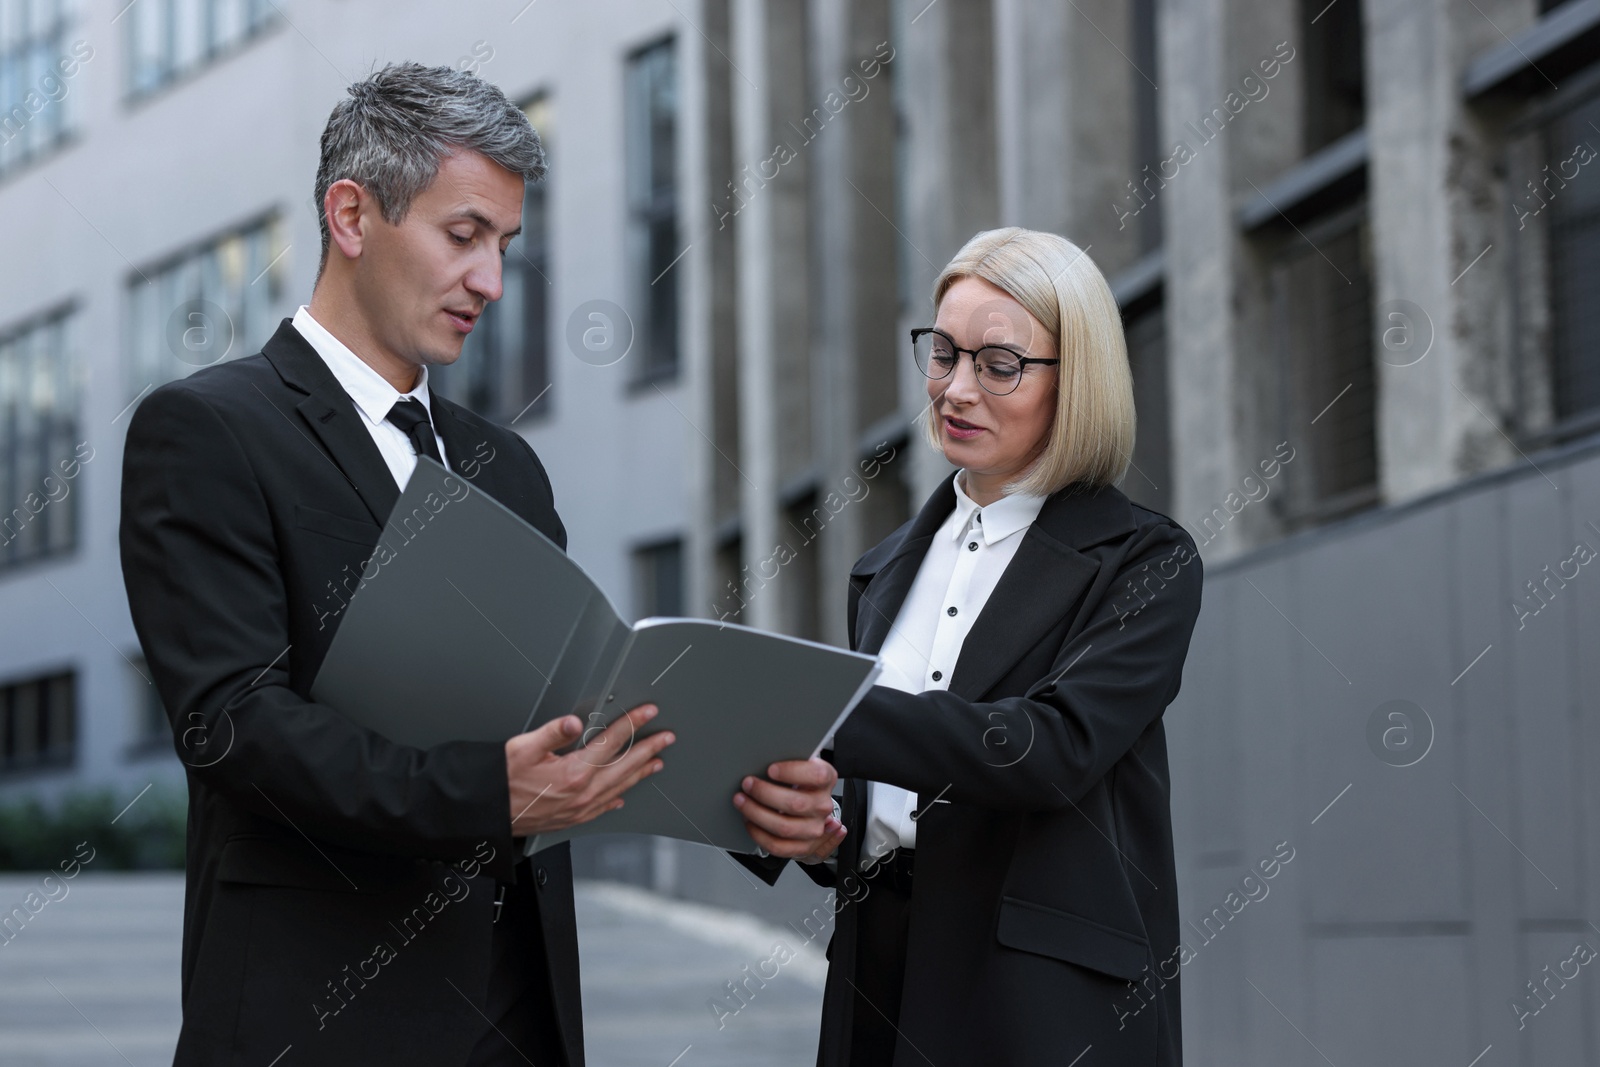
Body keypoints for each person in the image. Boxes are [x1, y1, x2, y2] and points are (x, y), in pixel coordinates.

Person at [120, 63, 837, 1067]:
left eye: (504, 246)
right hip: (318, 1015)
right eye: (464, 237)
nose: (491, 282)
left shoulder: (506, 462)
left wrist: (760, 806)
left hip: (519, 1013)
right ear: (351, 214)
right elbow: (235, 724)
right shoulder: (207, 430)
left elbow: (574, 708)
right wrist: (486, 794)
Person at [738, 227, 1204, 1065]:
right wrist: (815, 830)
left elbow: (1050, 749)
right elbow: (884, 805)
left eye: (999, 364)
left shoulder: (1145, 560)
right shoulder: (881, 571)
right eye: (943, 352)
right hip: (877, 969)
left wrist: (815, 706)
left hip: (1038, 995)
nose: (955, 388)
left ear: (1079, 380)